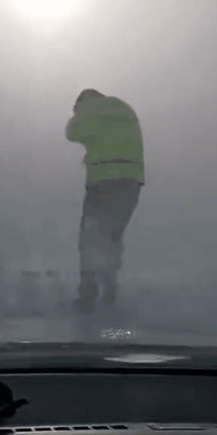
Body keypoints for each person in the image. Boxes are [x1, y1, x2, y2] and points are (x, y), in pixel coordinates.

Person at [65, 89, 145, 315]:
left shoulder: (90, 110)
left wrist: (79, 112)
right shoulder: (124, 107)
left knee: (91, 238)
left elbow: (72, 133)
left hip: (104, 182)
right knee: (112, 239)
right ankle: (110, 293)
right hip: (131, 183)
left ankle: (88, 297)